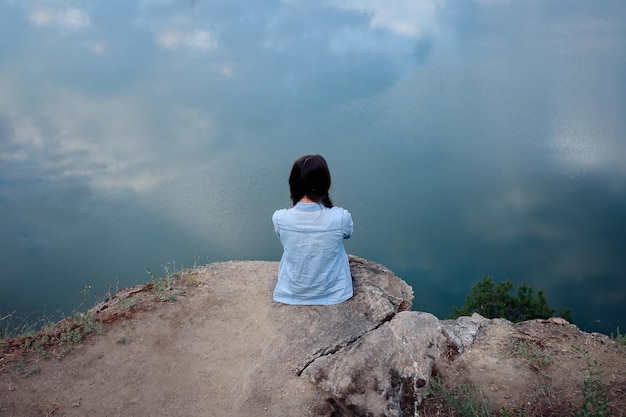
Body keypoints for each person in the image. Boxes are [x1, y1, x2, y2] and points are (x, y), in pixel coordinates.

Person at [272, 154, 353, 305]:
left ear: (293, 183)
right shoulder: (341, 218)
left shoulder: (280, 218)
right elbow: (348, 234)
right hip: (335, 292)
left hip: (290, 292)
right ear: (325, 183)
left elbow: (281, 235)